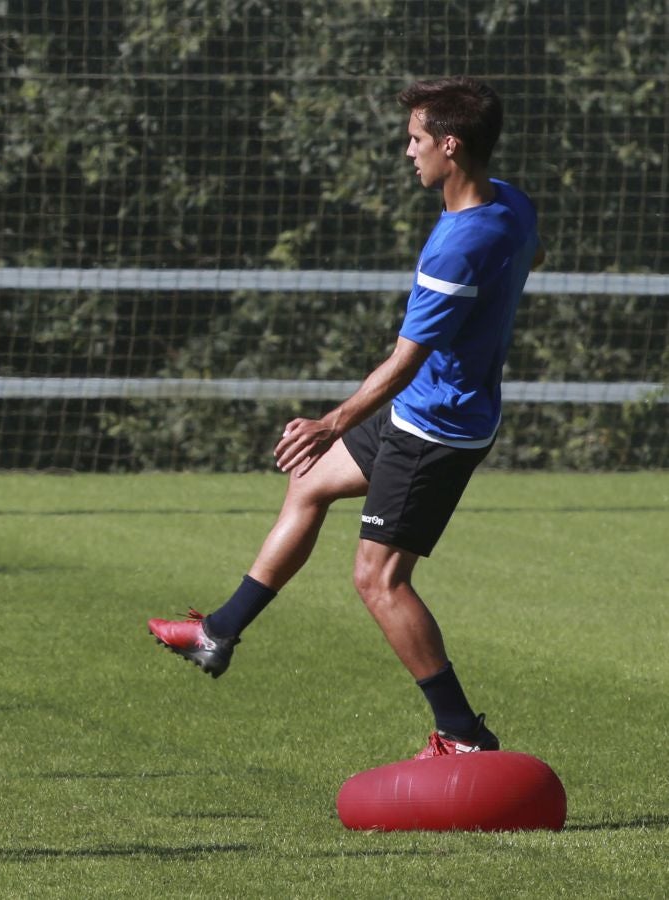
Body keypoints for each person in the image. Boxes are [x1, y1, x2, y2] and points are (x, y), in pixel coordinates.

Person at [147, 76, 542, 759]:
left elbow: (403, 364)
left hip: (434, 428)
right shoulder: (511, 203)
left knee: (378, 579)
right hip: (426, 410)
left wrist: (331, 422)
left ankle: (462, 734)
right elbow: (533, 253)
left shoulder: (456, 249)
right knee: (308, 482)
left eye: (416, 139)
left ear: (450, 146)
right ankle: (218, 632)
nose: (408, 151)